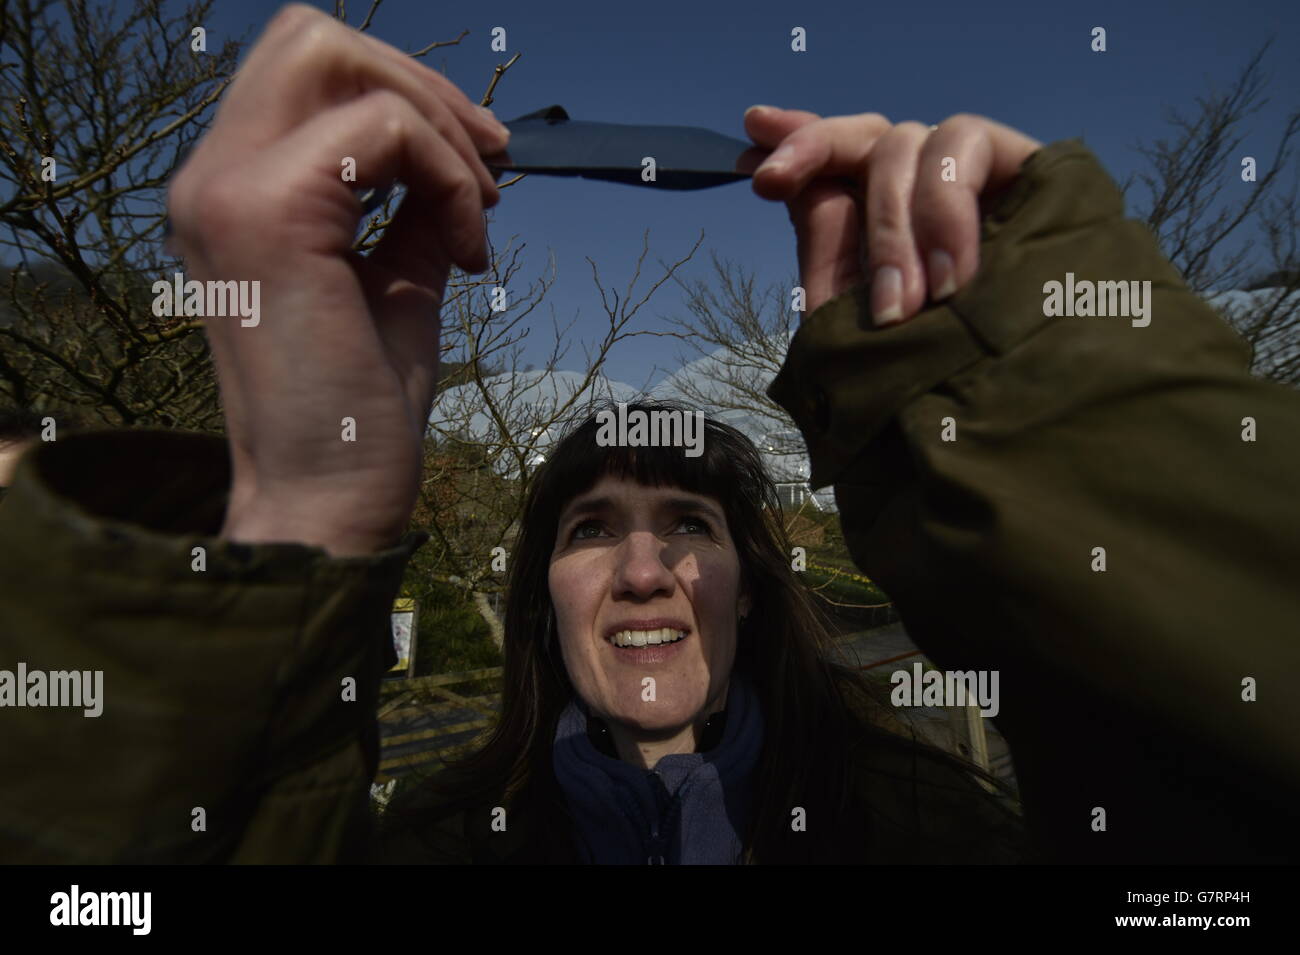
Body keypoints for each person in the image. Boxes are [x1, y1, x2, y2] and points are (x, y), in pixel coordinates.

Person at [0, 3, 1296, 864]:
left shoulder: (945, 832)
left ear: (754, 579)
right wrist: (307, 505)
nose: (641, 570)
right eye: (587, 530)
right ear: (536, 595)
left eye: (690, 524)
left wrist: (1043, 393)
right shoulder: (417, 845)